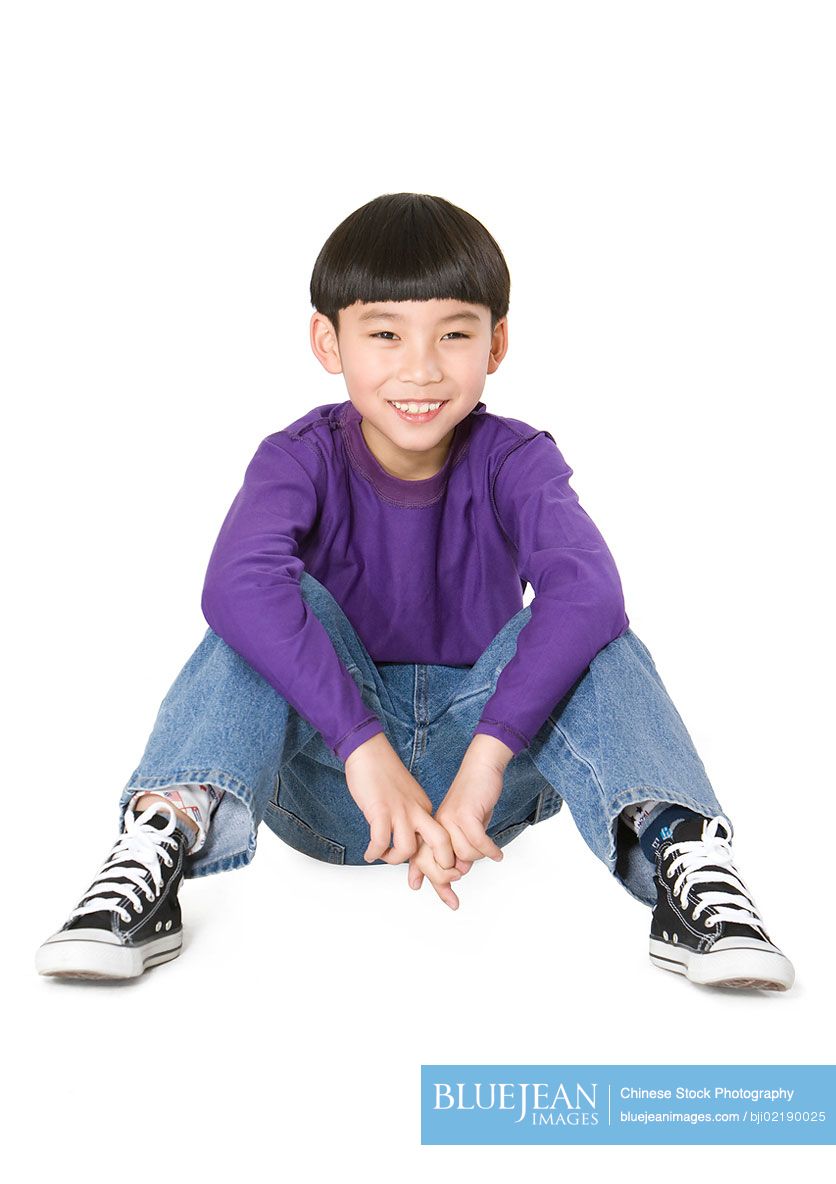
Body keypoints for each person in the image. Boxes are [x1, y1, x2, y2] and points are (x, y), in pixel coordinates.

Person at [35, 192, 794, 991]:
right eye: (386, 334)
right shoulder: (298, 458)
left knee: (594, 626)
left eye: (455, 334)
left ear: (497, 342)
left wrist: (488, 755)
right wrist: (364, 746)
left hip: (487, 785)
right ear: (328, 340)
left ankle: (684, 852)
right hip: (340, 791)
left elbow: (590, 590)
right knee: (256, 611)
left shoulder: (515, 458)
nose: (422, 368)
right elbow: (233, 584)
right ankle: (162, 838)